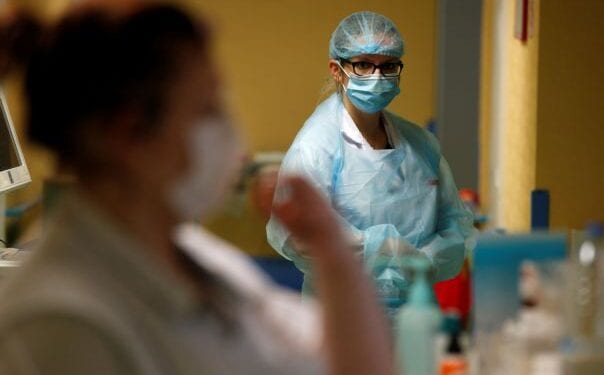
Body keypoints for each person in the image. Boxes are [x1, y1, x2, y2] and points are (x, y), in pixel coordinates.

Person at [0, 3, 393, 374]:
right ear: (126, 131)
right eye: (206, 110)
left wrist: (331, 250)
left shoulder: (200, 261)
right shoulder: (58, 324)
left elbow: (347, 363)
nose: (236, 148)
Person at [267, 11, 475, 304]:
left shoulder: (421, 145)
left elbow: (456, 227)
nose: (377, 76)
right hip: (341, 317)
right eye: (364, 64)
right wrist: (379, 248)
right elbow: (294, 234)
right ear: (337, 70)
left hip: (414, 311)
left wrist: (425, 262)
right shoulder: (316, 147)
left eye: (388, 65)